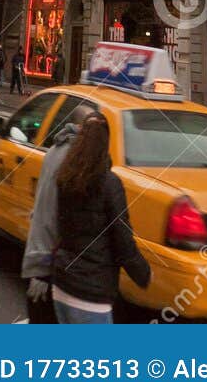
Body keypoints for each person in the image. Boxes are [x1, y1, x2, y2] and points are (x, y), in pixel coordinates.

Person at [49, 113, 151, 323]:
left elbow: (58, 224)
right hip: (92, 292)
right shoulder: (110, 184)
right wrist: (143, 274)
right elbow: (122, 238)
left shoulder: (66, 175)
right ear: (106, 143)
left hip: (62, 284)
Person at [21, 102, 96, 321]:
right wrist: (42, 270)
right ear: (81, 127)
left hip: (42, 260)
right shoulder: (71, 160)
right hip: (46, 264)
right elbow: (49, 216)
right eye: (92, 127)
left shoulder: (55, 150)